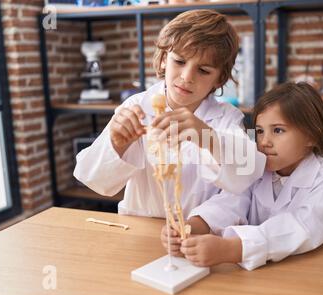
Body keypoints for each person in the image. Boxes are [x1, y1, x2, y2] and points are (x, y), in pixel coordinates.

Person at [74, 9, 265, 217]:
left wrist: (207, 136)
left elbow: (247, 176)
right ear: (164, 58)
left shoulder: (228, 118)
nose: (186, 76)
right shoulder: (137, 106)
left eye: (203, 70)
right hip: (142, 226)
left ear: (219, 79)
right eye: (180, 61)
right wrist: (117, 144)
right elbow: (93, 179)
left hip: (198, 237)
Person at [162, 82, 323, 270]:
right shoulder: (259, 171)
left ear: (312, 135)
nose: (264, 142)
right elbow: (229, 202)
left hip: (314, 275)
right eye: (260, 131)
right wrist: (191, 226)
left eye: (278, 130)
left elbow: (297, 230)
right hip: (267, 276)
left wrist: (232, 249)